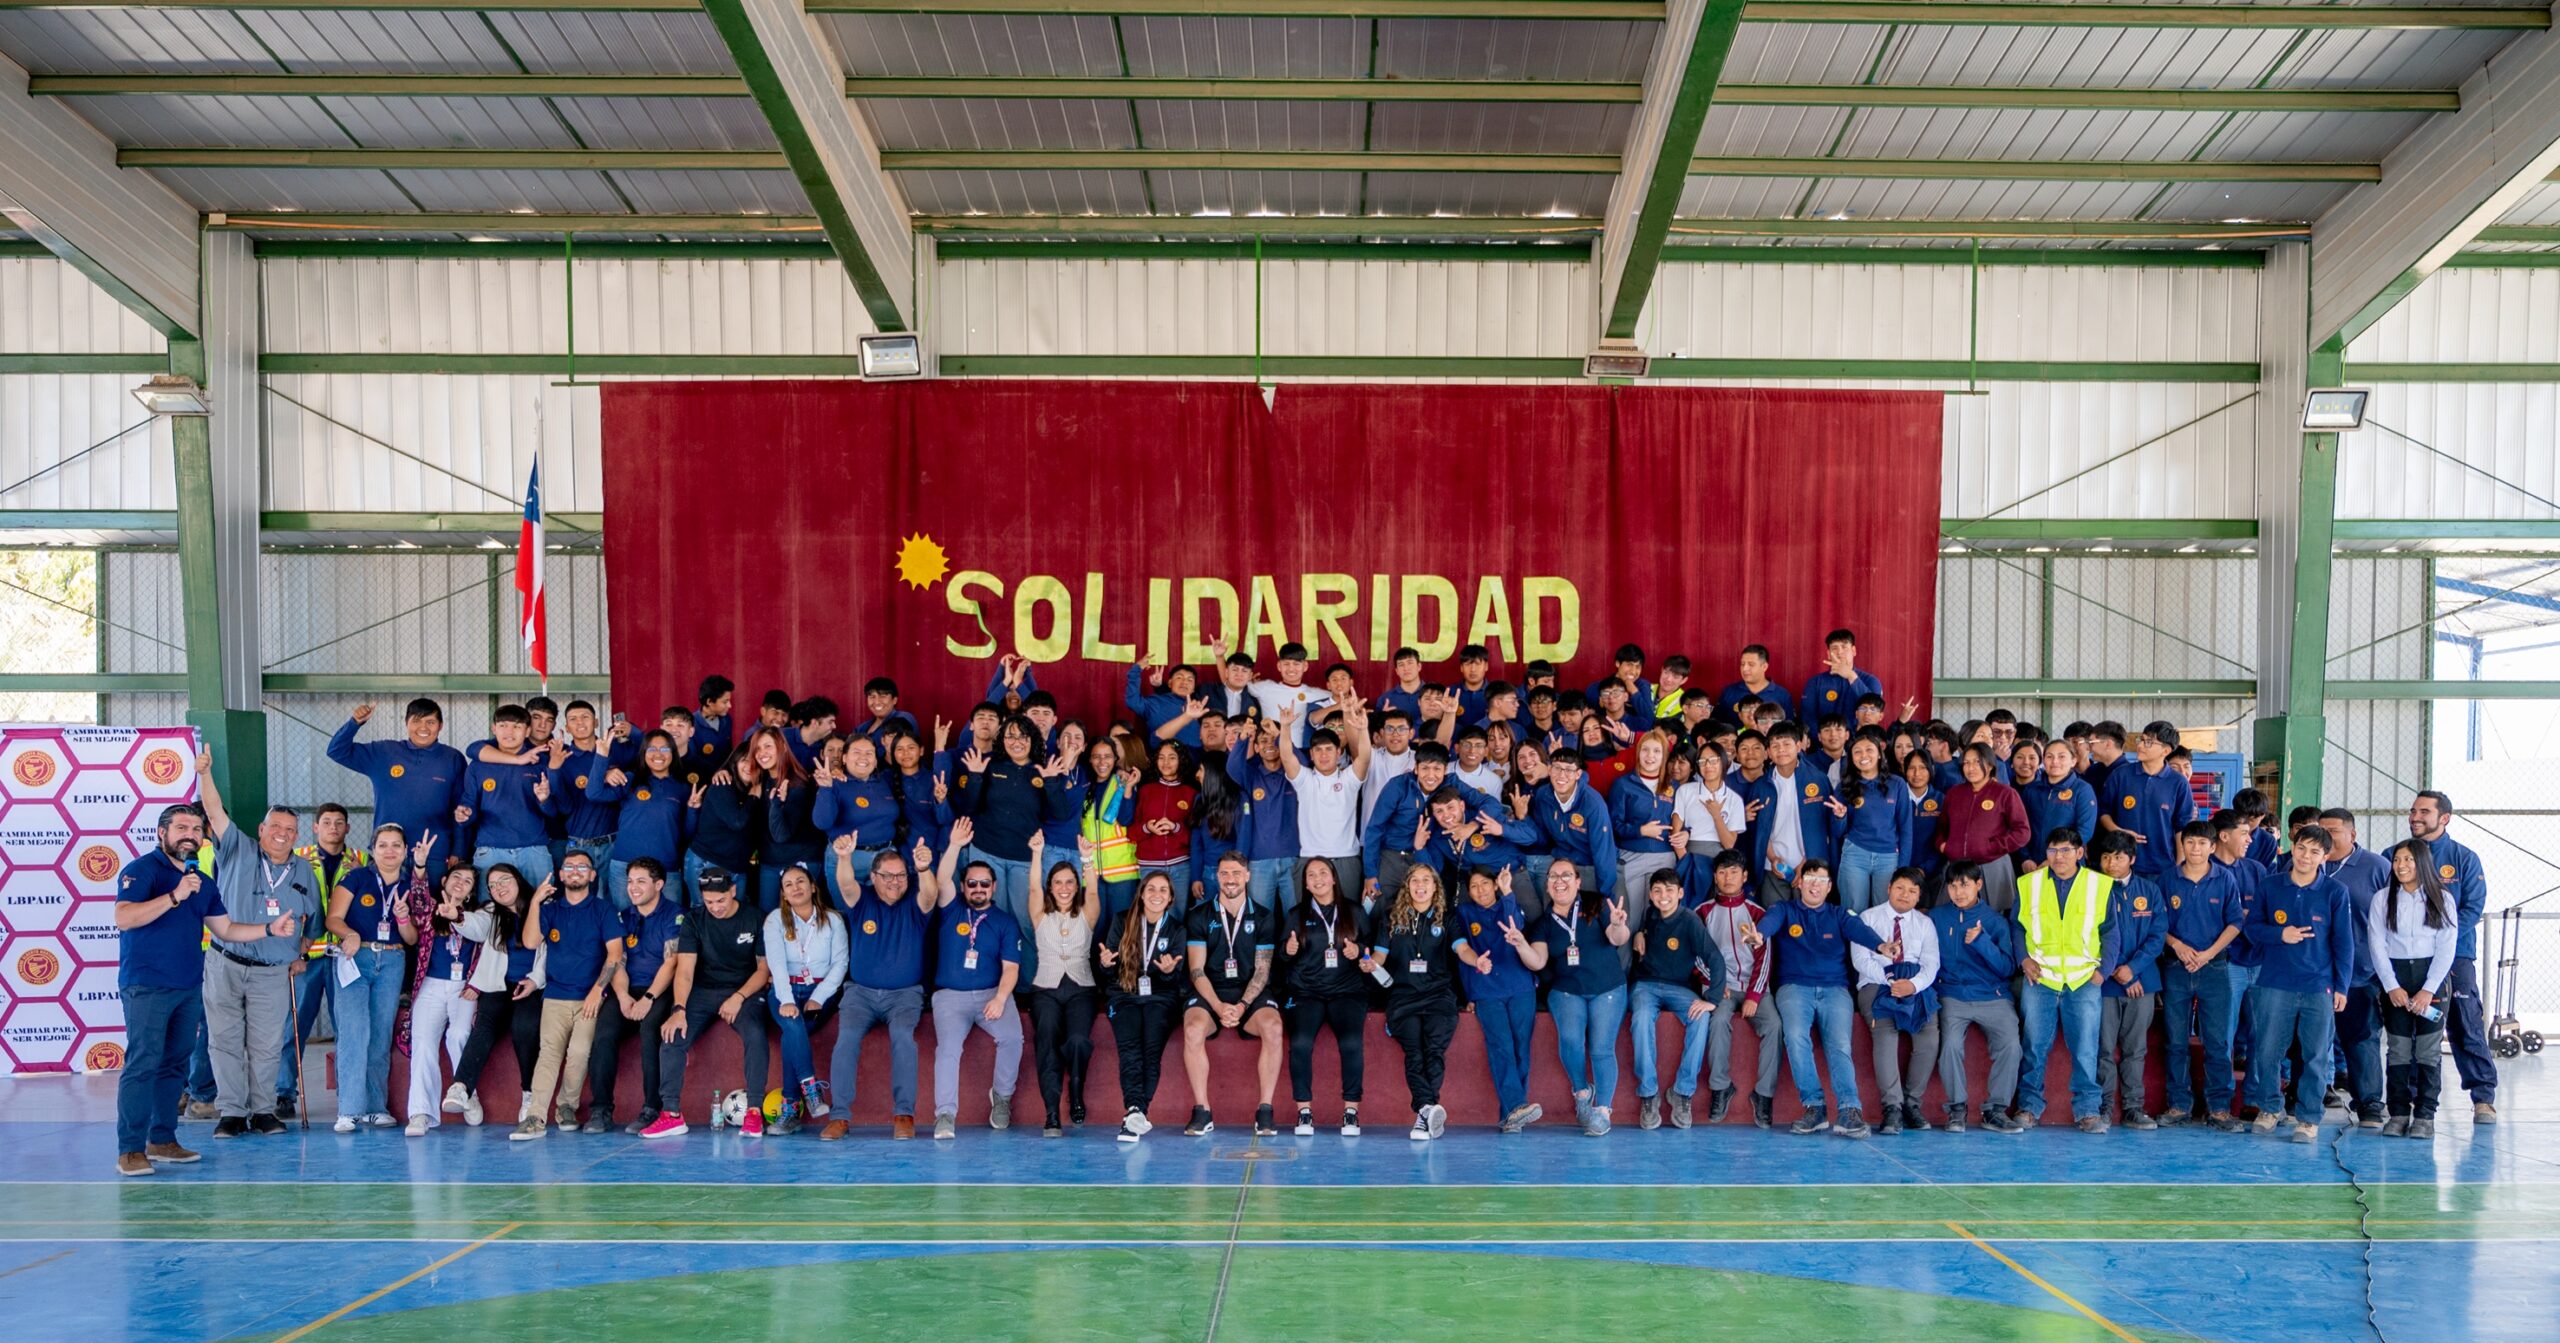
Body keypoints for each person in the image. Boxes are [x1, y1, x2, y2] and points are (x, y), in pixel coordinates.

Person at [112, 803, 302, 1176]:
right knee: (143, 1063)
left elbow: (226, 929)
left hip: (187, 987)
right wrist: (174, 896)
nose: (191, 835)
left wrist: (268, 929)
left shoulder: (202, 882)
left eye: (197, 829)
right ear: (162, 833)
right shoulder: (143, 870)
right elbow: (124, 917)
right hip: (147, 985)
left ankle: (162, 1140)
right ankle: (130, 1149)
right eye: (182, 828)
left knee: (174, 1065)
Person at [193, 752, 319, 1139]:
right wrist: (205, 774)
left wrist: (299, 954)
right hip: (226, 963)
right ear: (261, 829)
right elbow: (214, 812)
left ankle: (263, 1111)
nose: (282, 833)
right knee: (224, 1041)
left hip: (272, 974)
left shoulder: (305, 871)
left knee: (267, 1044)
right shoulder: (237, 848)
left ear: (297, 836)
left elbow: (312, 924)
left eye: (290, 829)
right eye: (275, 825)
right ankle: (232, 1112)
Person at [819, 830, 957, 1142]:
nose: (895, 882)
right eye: (888, 876)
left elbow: (930, 895)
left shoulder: (915, 904)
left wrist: (923, 869)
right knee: (846, 1041)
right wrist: (844, 857)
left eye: (901, 875)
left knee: (904, 1040)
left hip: (904, 996)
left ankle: (904, 1115)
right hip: (860, 994)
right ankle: (839, 1117)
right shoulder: (862, 901)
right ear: (873, 877)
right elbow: (845, 885)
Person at [1742, 859, 1888, 1137]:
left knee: (1840, 1044)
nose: (1814, 885)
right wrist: (1759, 935)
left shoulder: (1839, 914)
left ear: (1829, 886)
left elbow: (1859, 930)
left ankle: (1849, 1110)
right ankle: (1814, 1108)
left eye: (1821, 880)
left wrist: (1881, 945)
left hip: (1835, 989)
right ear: (1800, 883)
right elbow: (1769, 923)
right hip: (1794, 988)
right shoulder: (1784, 909)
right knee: (1796, 1037)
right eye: (1809, 879)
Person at [2243, 826, 2358, 1143]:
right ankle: (2269, 1108)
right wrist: (2280, 934)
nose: (2306, 856)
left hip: (2318, 986)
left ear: (2325, 857)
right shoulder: (2270, 886)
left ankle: (2308, 1119)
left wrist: (2341, 987)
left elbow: (2344, 943)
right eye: (2302, 848)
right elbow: (2252, 927)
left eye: (2314, 851)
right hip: (2274, 983)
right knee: (2268, 1051)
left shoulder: (2335, 892)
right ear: (2292, 848)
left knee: (2315, 1055)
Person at [642, 868, 773, 1139]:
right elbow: (685, 971)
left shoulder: (755, 917)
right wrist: (678, 1009)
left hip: (743, 991)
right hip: (703, 991)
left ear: (733, 891)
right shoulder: (694, 920)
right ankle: (671, 1114)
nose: (715, 907)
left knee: (755, 1034)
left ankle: (754, 1112)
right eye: (709, 901)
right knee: (672, 1036)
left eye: (721, 900)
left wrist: (738, 997)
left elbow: (763, 970)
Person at [510, 850, 624, 1140]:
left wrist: (598, 990)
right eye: (569, 867)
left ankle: (566, 1107)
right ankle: (535, 1117)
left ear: (592, 875)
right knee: (548, 1054)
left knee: (580, 1052)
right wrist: (535, 902)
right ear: (560, 875)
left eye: (582, 867)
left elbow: (615, 955)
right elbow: (530, 941)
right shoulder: (550, 910)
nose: (575, 871)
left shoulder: (603, 910)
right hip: (555, 996)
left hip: (590, 997)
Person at [2013, 829, 2120, 1133]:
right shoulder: (2029, 884)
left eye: (2065, 850)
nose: (2058, 857)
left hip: (2083, 978)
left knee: (2085, 1048)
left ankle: (2088, 1110)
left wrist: (2104, 970)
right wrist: (2023, 959)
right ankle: (2029, 1106)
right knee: (2034, 1046)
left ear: (2079, 853)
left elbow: (2111, 931)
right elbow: (2017, 927)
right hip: (2041, 978)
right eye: (2052, 850)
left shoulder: (2098, 884)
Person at [325, 823, 430, 1132]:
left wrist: (403, 918)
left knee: (381, 1034)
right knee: (354, 1032)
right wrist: (350, 933)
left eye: (396, 845)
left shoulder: (411, 885)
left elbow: (412, 939)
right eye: (383, 845)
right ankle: (348, 1110)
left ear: (406, 851)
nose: (389, 851)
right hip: (355, 959)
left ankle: (375, 1107)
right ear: (372, 849)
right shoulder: (356, 878)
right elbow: (333, 919)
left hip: (393, 960)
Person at [2405, 791, 2495, 1125]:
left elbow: (2473, 907)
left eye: (2423, 811)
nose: (2415, 816)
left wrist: (2441, 939)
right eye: (2413, 811)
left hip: (2456, 957)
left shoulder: (2464, 858)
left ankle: (2483, 1097)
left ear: (2444, 818)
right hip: (2411, 959)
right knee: (2414, 1027)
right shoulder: (2398, 855)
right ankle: (2413, 1099)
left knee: (2465, 1023)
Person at [1180, 852, 1285, 1136]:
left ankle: (1265, 1110)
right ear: (1217, 877)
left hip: (1249, 992)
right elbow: (1196, 970)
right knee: (1192, 1030)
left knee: (1274, 1028)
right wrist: (1217, 1006)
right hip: (1210, 991)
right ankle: (1202, 1111)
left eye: (1236, 873)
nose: (1230, 879)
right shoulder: (1199, 915)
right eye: (1225, 873)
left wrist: (1241, 1005)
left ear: (1248, 876)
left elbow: (1262, 971)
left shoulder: (1263, 916)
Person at [950, 716, 1060, 980]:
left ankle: (1029, 984)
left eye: (1023, 736)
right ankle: (988, 979)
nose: (1016, 741)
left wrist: (1052, 782)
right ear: (1002, 739)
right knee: (989, 920)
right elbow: (969, 807)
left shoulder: (1042, 769)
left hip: (1024, 858)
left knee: (1026, 921)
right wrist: (975, 776)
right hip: (988, 853)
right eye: (1010, 735)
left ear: (1032, 740)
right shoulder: (990, 765)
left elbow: (1060, 813)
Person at [584, 858, 684, 1134]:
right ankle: (601, 1110)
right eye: (630, 881)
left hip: (660, 989)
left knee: (650, 1031)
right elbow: (617, 960)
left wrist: (648, 998)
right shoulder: (623, 917)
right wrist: (623, 996)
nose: (633, 887)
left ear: (659, 884)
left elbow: (671, 963)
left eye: (641, 881)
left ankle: (651, 1108)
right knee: (603, 1033)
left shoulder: (674, 915)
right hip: (627, 989)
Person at [2156, 822, 2245, 1127]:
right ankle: (2179, 1105)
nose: (2195, 849)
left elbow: (2235, 923)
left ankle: (2219, 1107)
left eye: (2202, 843)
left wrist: (2208, 954)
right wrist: (2177, 945)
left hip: (2215, 968)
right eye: (2190, 842)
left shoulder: (2225, 879)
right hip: (2175, 967)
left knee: (2218, 1041)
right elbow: (2156, 924)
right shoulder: (2167, 879)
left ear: (2212, 847)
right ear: (2182, 845)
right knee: (2176, 1041)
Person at [932, 856, 1026, 1140]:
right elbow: (941, 879)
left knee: (1013, 1038)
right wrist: (955, 845)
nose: (978, 888)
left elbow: (1011, 969)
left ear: (994, 887)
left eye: (985, 883)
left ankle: (1002, 1097)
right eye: (972, 883)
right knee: (948, 1050)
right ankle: (945, 1115)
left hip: (990, 994)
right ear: (963, 886)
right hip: (950, 997)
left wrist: (1000, 998)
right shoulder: (951, 909)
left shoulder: (1005, 922)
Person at [2369, 838, 2457, 1139]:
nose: (2401, 865)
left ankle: (2425, 1115)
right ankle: (2397, 1113)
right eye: (2397, 860)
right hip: (2395, 980)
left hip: (2431, 979)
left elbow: (2446, 947)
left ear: (2422, 862)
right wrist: (2391, 985)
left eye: (2408, 859)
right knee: (2398, 1049)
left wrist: (2428, 989)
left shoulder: (2442, 899)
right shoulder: (2382, 899)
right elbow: (2377, 944)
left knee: (2428, 1051)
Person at [1367, 864, 1462, 1141]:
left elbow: (1463, 948)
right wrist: (1370, 964)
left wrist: (1476, 960)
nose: (1420, 885)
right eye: (1415, 881)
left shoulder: (1447, 918)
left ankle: (1424, 1113)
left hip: (1438, 996)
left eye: (1426, 880)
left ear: (1435, 886)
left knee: (1434, 1050)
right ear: (1407, 886)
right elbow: (1380, 957)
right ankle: (1428, 1109)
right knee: (1415, 1053)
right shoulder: (1392, 917)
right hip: (1404, 997)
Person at [278, 803, 362, 1118]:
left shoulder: (362, 860)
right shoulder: (296, 859)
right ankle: (284, 1092)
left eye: (339, 822)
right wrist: (291, 952)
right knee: (294, 1026)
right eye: (326, 822)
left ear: (348, 828)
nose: (333, 828)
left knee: (347, 1028)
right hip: (308, 957)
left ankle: (348, 1094)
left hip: (345, 957)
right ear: (315, 827)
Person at [1930, 862, 2027, 1134]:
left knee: (2011, 1046)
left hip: (1992, 996)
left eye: (1964, 885)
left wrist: (1982, 942)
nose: (1958, 892)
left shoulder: (1995, 921)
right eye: (1952, 886)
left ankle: (1995, 1110)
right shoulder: (1936, 918)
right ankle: (1957, 1108)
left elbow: (2007, 968)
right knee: (1950, 1045)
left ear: (1979, 885)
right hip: (1952, 995)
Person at [1536, 858, 1630, 1136]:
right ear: (1547, 885)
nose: (1559, 881)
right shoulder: (1544, 922)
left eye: (1566, 875)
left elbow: (1618, 938)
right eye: (1554, 876)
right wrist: (1519, 943)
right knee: (1571, 1041)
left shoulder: (1597, 903)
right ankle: (1581, 1092)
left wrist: (1617, 924)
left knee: (1601, 1048)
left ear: (1578, 881)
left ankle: (1603, 1111)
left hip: (1607, 987)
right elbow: (1537, 961)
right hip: (1567, 989)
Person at [1280, 857, 1370, 1137]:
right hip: (1306, 992)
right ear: (1305, 884)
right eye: (1311, 875)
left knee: (1351, 1042)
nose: (1317, 879)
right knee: (1300, 1043)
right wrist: (1288, 950)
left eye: (1323, 873)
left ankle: (1351, 1112)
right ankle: (1304, 1112)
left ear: (1333, 878)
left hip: (1347, 991)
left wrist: (1359, 951)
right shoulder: (1296, 914)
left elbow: (1371, 947)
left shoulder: (1353, 911)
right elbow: (1282, 956)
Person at [1455, 865, 1548, 1133]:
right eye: (1474, 886)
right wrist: (1468, 993)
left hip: (1520, 986)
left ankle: (1511, 1116)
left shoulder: (1509, 904)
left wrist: (1508, 891)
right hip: (1486, 990)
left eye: (1485, 883)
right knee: (1501, 1046)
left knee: (1521, 1048)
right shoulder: (1464, 913)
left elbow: (1516, 926)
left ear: (1495, 885)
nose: (1480, 890)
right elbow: (1461, 953)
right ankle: (1516, 1107)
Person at [448, 864, 542, 1127]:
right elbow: (475, 926)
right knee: (484, 1025)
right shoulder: (491, 912)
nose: (499, 887)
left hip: (533, 986)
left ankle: (529, 1093)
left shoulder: (541, 908)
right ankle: (461, 1087)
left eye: (504, 880)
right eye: (492, 885)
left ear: (518, 880)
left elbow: (550, 953)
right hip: (499, 986)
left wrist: (535, 980)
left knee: (525, 1027)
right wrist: (457, 916)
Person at [1631, 869, 1725, 1130]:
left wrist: (1713, 998)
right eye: (1658, 891)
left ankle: (1682, 1093)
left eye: (1670, 890)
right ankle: (1648, 1094)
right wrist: (1639, 932)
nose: (1664, 896)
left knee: (1701, 1017)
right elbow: (1645, 929)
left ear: (1680, 893)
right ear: (1651, 895)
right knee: (1641, 1018)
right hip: (1645, 986)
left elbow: (1715, 958)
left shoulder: (1690, 920)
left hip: (1680, 988)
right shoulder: (1650, 914)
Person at [1692, 849, 1780, 1128]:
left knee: (1774, 1025)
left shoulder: (1758, 913)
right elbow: (1696, 955)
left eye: (1733, 872)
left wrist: (1753, 996)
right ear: (1715, 877)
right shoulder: (1702, 912)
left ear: (1744, 876)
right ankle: (1720, 1087)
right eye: (1722, 872)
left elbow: (1765, 958)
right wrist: (1716, 985)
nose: (1728, 877)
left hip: (1755, 988)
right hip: (1721, 988)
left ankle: (1764, 1094)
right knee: (1717, 1020)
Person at [402, 862, 490, 1137]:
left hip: (464, 987)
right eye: (456, 877)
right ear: (443, 881)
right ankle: (420, 1113)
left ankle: (466, 1092)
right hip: (431, 984)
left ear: (471, 891)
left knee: (459, 1034)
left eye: (467, 881)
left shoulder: (479, 914)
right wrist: (419, 865)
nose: (460, 883)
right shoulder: (430, 909)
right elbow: (418, 896)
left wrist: (457, 915)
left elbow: (480, 934)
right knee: (423, 1044)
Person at [1851, 868, 1940, 1135]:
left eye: (1913, 891)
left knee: (1929, 1036)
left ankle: (1911, 1103)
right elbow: (1861, 960)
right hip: (1877, 983)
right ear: (1889, 887)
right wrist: (1890, 981)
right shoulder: (1868, 918)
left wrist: (1913, 985)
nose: (1905, 895)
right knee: (1885, 1034)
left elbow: (1931, 963)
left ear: (1919, 896)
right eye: (1900, 888)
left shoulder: (1925, 923)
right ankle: (1892, 1107)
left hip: (1915, 984)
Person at [759, 862, 846, 1135]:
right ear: (783, 894)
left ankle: (790, 1109)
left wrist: (818, 998)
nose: (795, 888)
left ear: (813, 887)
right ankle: (810, 1089)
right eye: (788, 885)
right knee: (793, 1026)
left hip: (821, 992)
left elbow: (840, 964)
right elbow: (776, 963)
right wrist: (786, 1000)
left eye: (800, 882)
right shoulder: (775, 920)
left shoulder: (833, 920)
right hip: (784, 990)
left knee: (791, 1035)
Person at [325, 698, 468, 861]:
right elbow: (336, 751)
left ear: (440, 726)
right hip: (388, 852)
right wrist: (355, 722)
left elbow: (460, 809)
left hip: (434, 854)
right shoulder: (383, 752)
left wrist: (458, 851)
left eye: (430, 722)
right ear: (406, 723)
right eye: (416, 721)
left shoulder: (453, 758)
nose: (423, 728)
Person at [2319, 808, 2391, 1128]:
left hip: (2361, 974)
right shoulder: (2308, 864)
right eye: (2321, 830)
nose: (2326, 837)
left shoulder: (2377, 868)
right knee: (2308, 1041)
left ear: (2352, 834)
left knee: (2362, 1040)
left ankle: (2370, 1104)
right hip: (2314, 974)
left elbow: (2393, 919)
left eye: (2333, 831)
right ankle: (2304, 1101)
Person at [1103, 870, 1186, 1142]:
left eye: (1163, 890)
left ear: (1170, 898)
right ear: (1141, 894)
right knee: (1130, 1051)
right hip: (1124, 995)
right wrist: (1106, 964)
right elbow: (1108, 971)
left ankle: (1135, 1112)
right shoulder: (1122, 921)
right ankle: (1136, 1112)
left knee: (1151, 1052)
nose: (1156, 895)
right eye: (1151, 889)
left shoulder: (1176, 930)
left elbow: (1176, 977)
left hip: (1160, 997)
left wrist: (1168, 972)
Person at [1028, 834, 1100, 1136]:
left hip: (1081, 989)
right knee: (1046, 1040)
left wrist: (1087, 859)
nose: (1064, 888)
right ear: (1050, 886)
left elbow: (1093, 890)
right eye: (1058, 882)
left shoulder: (1087, 913)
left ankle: (1077, 1088)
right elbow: (1033, 886)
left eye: (1070, 882)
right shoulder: (1040, 914)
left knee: (1078, 1041)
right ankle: (1052, 1112)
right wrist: (1037, 853)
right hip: (1046, 989)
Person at [2090, 832, 2164, 1129]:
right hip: (2105, 982)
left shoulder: (2150, 890)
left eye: (2118, 857)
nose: (2111, 864)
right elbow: (2089, 936)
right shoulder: (2092, 890)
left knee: (2136, 1049)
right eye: (2106, 857)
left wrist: (2132, 969)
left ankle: (2134, 1108)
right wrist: (2117, 970)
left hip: (2142, 982)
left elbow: (2157, 936)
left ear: (2132, 859)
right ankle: (2104, 1107)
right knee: (2104, 1048)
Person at [1276, 700, 1371, 909]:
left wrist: (1363, 730)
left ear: (1339, 752)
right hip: (1310, 859)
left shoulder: (1349, 779)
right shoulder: (1304, 779)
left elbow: (1364, 758)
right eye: (1318, 750)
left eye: (1329, 749)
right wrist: (1285, 727)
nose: (1324, 755)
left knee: (1348, 916)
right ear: (1311, 755)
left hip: (1346, 859)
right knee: (1307, 917)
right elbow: (1286, 756)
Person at [461, 704, 563, 890]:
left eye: (516, 726)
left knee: (540, 905)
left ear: (527, 731)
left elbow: (554, 812)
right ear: (494, 729)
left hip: (534, 850)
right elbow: (469, 804)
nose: (509, 732)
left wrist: (544, 800)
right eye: (503, 725)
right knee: (490, 907)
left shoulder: (540, 762)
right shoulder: (478, 766)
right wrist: (464, 814)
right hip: (490, 851)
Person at [586, 731, 693, 904]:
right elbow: (594, 793)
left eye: (665, 749)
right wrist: (602, 757)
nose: (658, 754)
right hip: (625, 866)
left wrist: (693, 810)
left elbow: (687, 832)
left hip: (666, 868)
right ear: (643, 753)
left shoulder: (682, 788)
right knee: (625, 918)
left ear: (673, 753)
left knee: (670, 920)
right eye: (651, 749)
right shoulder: (631, 780)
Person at [1742, 723, 1840, 905]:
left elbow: (1826, 828)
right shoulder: (1761, 786)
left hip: (1811, 866)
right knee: (1774, 914)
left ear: (1798, 746)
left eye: (1786, 744)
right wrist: (1773, 858)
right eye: (1775, 746)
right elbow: (1758, 829)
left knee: (1809, 916)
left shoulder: (1818, 780)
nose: (1781, 750)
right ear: (1768, 752)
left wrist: (1807, 862)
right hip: (1773, 867)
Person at [1937, 744, 2032, 915]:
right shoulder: (1954, 793)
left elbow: (2022, 832)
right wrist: (1945, 846)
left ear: (1989, 765)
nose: (1971, 768)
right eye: (1966, 763)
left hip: (1992, 865)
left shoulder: (2005, 793)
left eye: (1977, 762)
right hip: (1957, 866)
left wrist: (1991, 847)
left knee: (1991, 917)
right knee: (1953, 916)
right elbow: (1941, 827)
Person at [2098, 721, 2194, 880]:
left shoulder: (2179, 783)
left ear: (2166, 750)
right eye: (2141, 740)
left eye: (2148, 742)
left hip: (2162, 867)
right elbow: (2103, 812)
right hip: (2122, 865)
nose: (2141, 745)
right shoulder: (2121, 775)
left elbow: (2182, 828)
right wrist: (2118, 831)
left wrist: (2179, 866)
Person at [1833, 731, 1911, 914]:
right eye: (1857, 752)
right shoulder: (1844, 787)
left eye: (1869, 749)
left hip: (1888, 857)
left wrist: (1903, 867)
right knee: (1853, 911)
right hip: (1855, 854)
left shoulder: (1897, 784)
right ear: (1851, 758)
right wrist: (1840, 817)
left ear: (1879, 754)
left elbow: (1906, 828)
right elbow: (1837, 832)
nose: (1863, 755)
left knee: (1886, 912)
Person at [1608, 731, 1683, 908]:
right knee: (1631, 913)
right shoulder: (1623, 784)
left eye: (1657, 751)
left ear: (1664, 756)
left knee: (1660, 911)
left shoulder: (1674, 786)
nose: (1650, 756)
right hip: (1631, 856)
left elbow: (1683, 821)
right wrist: (1641, 830)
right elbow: (1614, 825)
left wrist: (1686, 834)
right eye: (1645, 750)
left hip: (1664, 857)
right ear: (1638, 753)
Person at [1531, 748, 1618, 894]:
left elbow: (1603, 854)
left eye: (1569, 770)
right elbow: (1542, 837)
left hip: (1592, 866)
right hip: (1562, 861)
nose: (1562, 775)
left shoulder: (1593, 804)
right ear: (1549, 770)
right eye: (1557, 768)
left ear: (1578, 774)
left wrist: (1605, 895)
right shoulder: (1542, 795)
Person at [1799, 629, 1882, 722]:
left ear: (1853, 651)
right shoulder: (1815, 683)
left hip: (1860, 732)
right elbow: (1808, 718)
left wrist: (1851, 676)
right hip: (1824, 731)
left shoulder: (1871, 681)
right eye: (1834, 648)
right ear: (1828, 654)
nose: (1839, 652)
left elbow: (1875, 713)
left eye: (1844, 647)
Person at [1716, 643, 1796, 722]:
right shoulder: (1729, 692)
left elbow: (1789, 726)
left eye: (1751, 664)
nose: (1745, 669)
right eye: (1742, 664)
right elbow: (1718, 724)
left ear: (1764, 667)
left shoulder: (1782, 695)